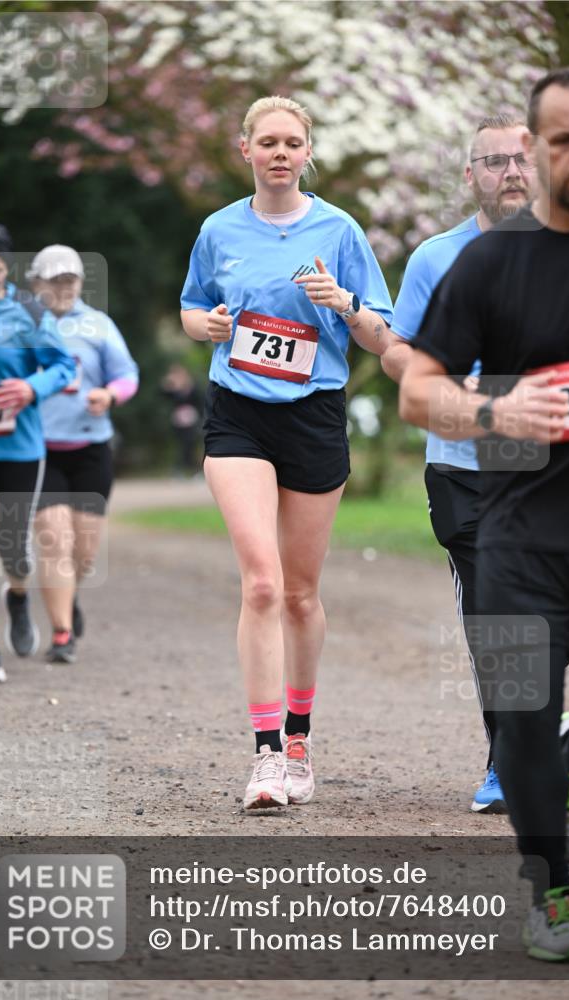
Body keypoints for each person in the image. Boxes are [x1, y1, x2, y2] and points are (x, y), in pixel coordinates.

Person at [400, 67, 569, 962]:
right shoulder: (487, 262)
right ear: (529, 152)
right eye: (562, 138)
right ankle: (552, 897)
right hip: (517, 534)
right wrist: (489, 414)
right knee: (517, 716)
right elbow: (418, 389)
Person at [180, 95, 394, 810]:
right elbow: (191, 306)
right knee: (262, 584)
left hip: (313, 416)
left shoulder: (339, 231)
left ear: (308, 153)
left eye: (291, 142)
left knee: (300, 593)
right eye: (266, 141)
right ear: (245, 150)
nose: (278, 152)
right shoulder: (218, 229)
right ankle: (265, 755)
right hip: (238, 414)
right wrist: (204, 325)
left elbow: (380, 335)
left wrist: (342, 303)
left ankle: (300, 740)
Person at [381, 114, 536, 814]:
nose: (510, 172)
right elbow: (401, 356)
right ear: (469, 174)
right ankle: (509, 765)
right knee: (496, 614)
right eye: (493, 160)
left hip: (562, 465)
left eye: (521, 159)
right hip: (464, 464)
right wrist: (455, 392)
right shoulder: (433, 259)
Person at [0, 222, 75, 682]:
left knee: (13, 547)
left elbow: (63, 365)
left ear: (10, 270)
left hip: (19, 448)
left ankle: (19, 597)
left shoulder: (27, 311)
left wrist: (30, 387)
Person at [28, 245, 139, 664]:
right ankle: (60, 633)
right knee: (55, 541)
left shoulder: (98, 325)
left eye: (69, 280)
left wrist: (109, 394)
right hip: (39, 452)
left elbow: (127, 374)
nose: (62, 288)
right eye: (54, 281)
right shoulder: (21, 327)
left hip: (91, 449)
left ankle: (67, 597)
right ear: (37, 284)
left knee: (84, 553)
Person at [160, 364, 204, 477]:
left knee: (190, 445)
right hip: (178, 421)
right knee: (181, 446)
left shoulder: (192, 388)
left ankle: (195, 470)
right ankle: (180, 469)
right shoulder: (173, 390)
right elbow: (162, 395)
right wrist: (169, 384)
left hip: (191, 420)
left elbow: (200, 402)